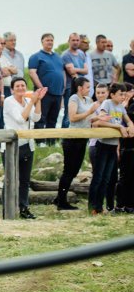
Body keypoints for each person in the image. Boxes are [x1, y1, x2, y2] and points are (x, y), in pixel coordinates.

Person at [3, 77, 45, 219]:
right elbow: (21, 118)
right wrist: (32, 101)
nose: (21, 88)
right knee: (11, 179)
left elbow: (36, 118)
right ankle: (7, 209)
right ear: (12, 89)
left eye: (23, 85)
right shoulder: (9, 101)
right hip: (12, 145)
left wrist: (37, 101)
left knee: (25, 180)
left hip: (28, 144)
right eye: (17, 86)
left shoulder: (28, 100)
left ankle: (24, 208)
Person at [89, 83, 134, 214]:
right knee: (98, 177)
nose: (123, 96)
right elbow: (100, 121)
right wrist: (119, 127)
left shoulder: (121, 107)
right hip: (102, 146)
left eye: (124, 94)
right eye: (120, 94)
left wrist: (130, 125)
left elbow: (128, 120)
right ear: (112, 94)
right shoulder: (107, 104)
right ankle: (93, 206)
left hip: (113, 147)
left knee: (107, 178)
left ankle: (101, 207)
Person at [56, 77, 97, 211]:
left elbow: (89, 118)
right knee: (69, 170)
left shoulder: (89, 100)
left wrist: (99, 117)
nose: (89, 90)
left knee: (74, 171)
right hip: (72, 138)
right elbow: (72, 117)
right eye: (87, 87)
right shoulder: (74, 98)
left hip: (82, 138)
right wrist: (89, 112)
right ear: (80, 88)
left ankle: (59, 198)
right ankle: (61, 201)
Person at [28, 33, 66, 140]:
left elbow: (62, 72)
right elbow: (32, 73)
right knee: (41, 118)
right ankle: (39, 141)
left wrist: (63, 86)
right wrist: (41, 88)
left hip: (58, 93)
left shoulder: (58, 57)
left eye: (51, 40)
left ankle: (51, 141)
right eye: (47, 40)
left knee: (53, 119)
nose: (50, 42)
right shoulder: (36, 57)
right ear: (42, 42)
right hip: (44, 93)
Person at [61, 33, 90, 128]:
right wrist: (79, 70)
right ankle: (65, 137)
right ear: (68, 41)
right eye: (73, 40)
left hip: (83, 88)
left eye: (77, 40)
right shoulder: (66, 55)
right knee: (68, 114)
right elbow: (72, 72)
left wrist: (76, 69)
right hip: (71, 88)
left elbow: (86, 70)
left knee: (82, 111)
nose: (75, 42)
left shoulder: (81, 54)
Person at [116, 83, 134, 212]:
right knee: (124, 177)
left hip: (130, 146)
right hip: (125, 146)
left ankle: (130, 205)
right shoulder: (119, 107)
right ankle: (121, 204)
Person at [0, 31, 24, 98]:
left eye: (14, 40)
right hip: (6, 88)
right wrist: (12, 70)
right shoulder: (1, 54)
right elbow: (3, 72)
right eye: (11, 40)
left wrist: (11, 71)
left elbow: (20, 72)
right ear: (5, 42)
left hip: (19, 88)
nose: (13, 42)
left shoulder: (20, 55)